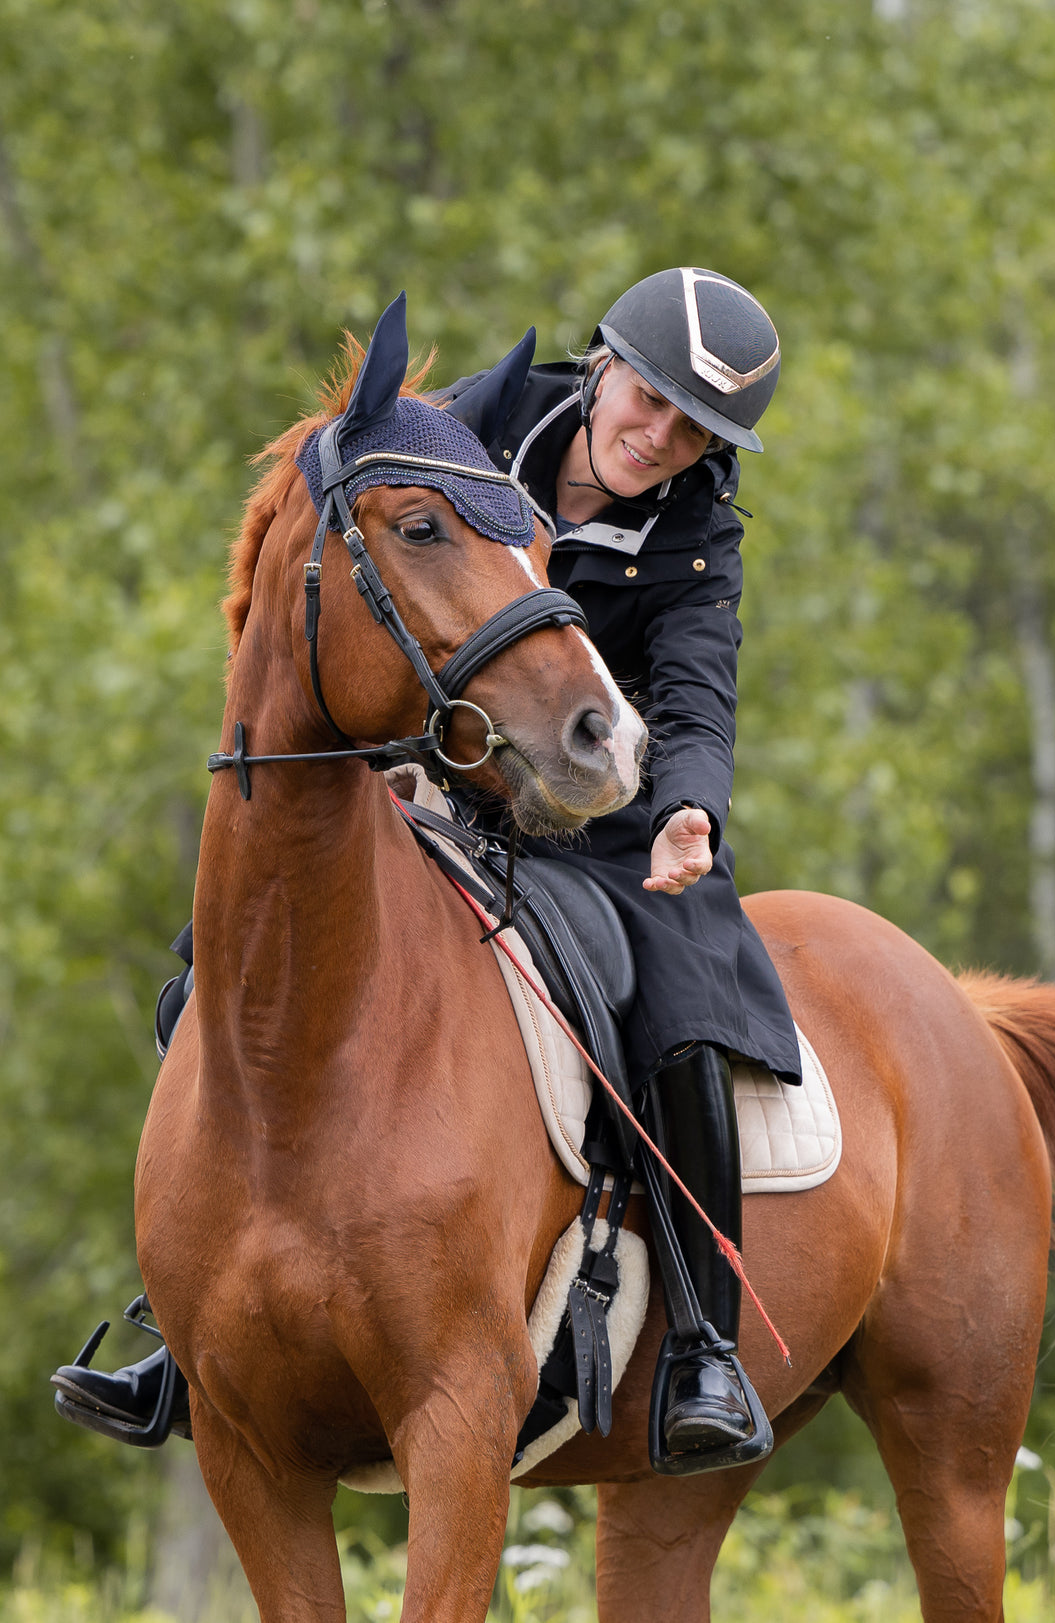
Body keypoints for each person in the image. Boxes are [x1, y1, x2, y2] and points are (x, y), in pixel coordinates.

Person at [53, 267, 800, 1471]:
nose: (657, 439)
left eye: (695, 432)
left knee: (687, 1015)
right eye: (650, 400)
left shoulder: (700, 534)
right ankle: (188, 1331)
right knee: (217, 978)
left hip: (605, 810)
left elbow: (697, 694)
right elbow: (323, 566)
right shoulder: (458, 432)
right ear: (604, 363)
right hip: (431, 778)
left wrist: (691, 812)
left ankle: (706, 1343)